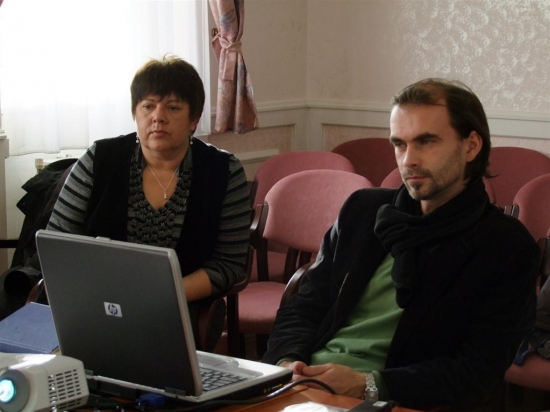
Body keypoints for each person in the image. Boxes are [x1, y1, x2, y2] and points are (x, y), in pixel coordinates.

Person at [263, 78, 539, 411]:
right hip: (304, 388)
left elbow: (476, 373)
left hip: (398, 401)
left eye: (426, 141)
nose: (408, 160)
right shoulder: (363, 211)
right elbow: (305, 305)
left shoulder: (506, 246)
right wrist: (287, 362)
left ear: (471, 146)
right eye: (399, 144)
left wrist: (367, 384)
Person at [47, 55, 251, 350]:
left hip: (179, 304)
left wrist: (162, 296)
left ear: (194, 120)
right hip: (96, 299)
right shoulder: (99, 159)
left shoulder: (223, 171)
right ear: (135, 113)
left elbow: (229, 264)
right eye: (148, 106)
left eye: (173, 107)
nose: (158, 117)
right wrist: (98, 295)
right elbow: (57, 245)